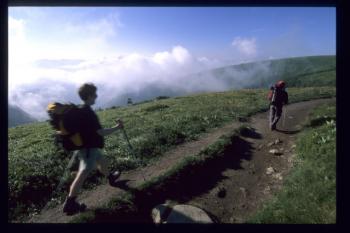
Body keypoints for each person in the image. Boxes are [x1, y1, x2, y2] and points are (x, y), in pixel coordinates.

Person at [63, 83, 124, 215]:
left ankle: (110, 177)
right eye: (95, 94)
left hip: (89, 148)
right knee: (84, 171)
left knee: (102, 161)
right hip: (88, 149)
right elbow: (100, 132)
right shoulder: (88, 113)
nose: (96, 96)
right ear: (90, 95)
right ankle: (70, 202)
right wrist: (117, 127)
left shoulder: (81, 110)